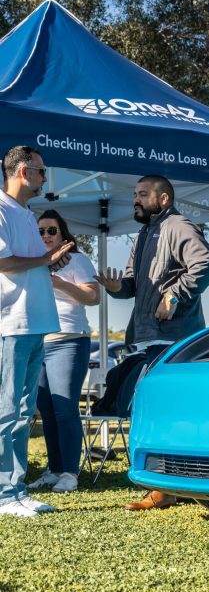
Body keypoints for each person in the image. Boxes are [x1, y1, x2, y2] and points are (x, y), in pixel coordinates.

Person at [96, 174, 209, 511]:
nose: (135, 200)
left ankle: (166, 487)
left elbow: (206, 264)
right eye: (134, 194)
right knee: (154, 410)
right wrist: (116, 288)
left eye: (142, 194)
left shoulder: (178, 226)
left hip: (173, 340)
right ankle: (168, 485)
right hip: (146, 338)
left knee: (163, 411)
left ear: (163, 199)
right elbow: (133, 285)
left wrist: (174, 296)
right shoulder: (144, 233)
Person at [0, 146, 74, 517]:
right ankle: (4, 494)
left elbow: (27, 265)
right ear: (23, 172)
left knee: (23, 411)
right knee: (6, 410)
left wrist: (49, 264)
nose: (45, 177)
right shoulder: (1, 209)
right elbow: (3, 262)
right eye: (42, 171)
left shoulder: (26, 214)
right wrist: (45, 259)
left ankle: (16, 489)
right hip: (11, 323)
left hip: (34, 323)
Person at [28, 211, 99, 495]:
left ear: (62, 233)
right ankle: (55, 469)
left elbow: (93, 296)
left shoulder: (76, 260)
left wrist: (58, 282)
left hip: (69, 340)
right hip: (38, 342)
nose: (46, 236)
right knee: (46, 410)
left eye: (51, 230)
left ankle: (70, 472)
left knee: (65, 408)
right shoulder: (33, 263)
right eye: (40, 231)